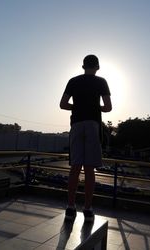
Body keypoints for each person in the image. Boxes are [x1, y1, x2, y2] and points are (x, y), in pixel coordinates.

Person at [60, 54, 112, 222]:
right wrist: (94, 106)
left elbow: (63, 104)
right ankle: (88, 209)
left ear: (83, 66)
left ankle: (70, 207)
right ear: (97, 67)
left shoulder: (73, 81)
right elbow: (108, 107)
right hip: (92, 124)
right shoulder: (101, 82)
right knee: (89, 169)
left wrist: (77, 106)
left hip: (76, 124)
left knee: (75, 167)